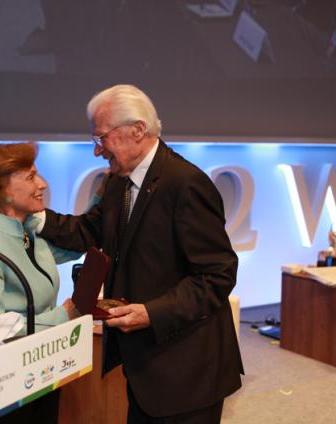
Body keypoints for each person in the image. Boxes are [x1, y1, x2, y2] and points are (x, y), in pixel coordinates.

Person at [38, 85, 243, 423]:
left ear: (137, 129)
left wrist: (152, 312)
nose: (97, 151)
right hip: (147, 365)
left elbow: (217, 275)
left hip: (187, 370)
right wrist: (33, 216)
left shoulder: (186, 183)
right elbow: (90, 230)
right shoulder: (120, 181)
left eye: (101, 138)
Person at [0, 142, 80, 423]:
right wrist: (63, 316)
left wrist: (102, 199)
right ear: (4, 189)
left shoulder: (26, 233)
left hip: (44, 372)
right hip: (8, 389)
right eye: (32, 177)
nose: (43, 184)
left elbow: (80, 242)